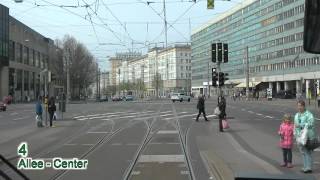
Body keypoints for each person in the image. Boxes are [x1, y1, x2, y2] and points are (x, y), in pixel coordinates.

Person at [294, 100, 316, 173]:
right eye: (298, 106)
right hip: (300, 137)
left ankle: (308, 167)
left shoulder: (308, 114)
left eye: (301, 106)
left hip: (308, 136)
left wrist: (301, 125)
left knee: (307, 151)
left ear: (304, 106)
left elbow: (311, 123)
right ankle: (305, 166)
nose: (299, 107)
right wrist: (295, 135)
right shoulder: (297, 115)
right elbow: (295, 125)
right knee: (303, 152)